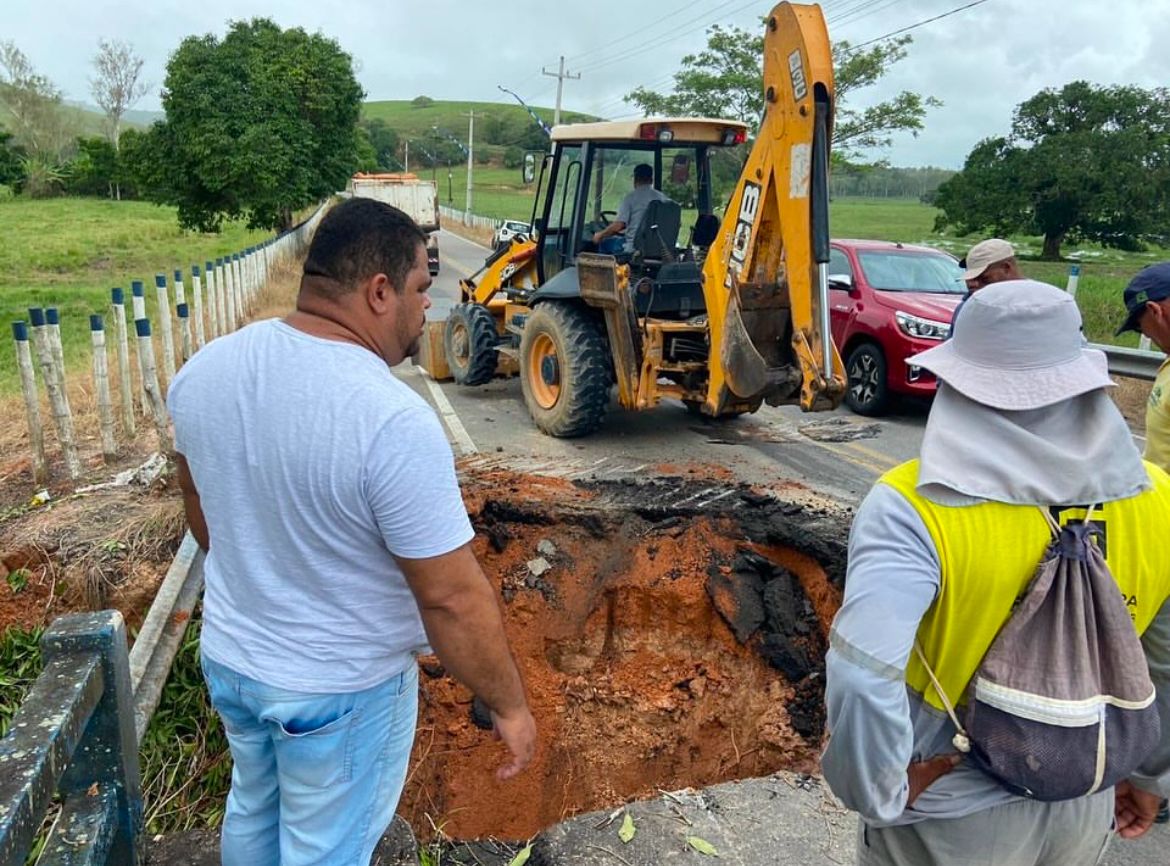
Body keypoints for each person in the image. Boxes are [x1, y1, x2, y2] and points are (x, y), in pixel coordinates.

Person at [167, 198, 537, 866]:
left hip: (234, 662)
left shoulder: (203, 373)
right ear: (378, 291)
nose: (429, 307)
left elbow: (201, 506)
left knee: (254, 808)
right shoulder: (389, 420)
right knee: (325, 850)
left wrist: (270, 572)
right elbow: (451, 598)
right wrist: (507, 704)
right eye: (423, 289)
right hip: (336, 691)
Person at [823, 279, 1170, 864]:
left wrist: (877, 794)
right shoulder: (1158, 498)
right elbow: (1161, 662)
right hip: (1083, 803)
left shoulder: (914, 505)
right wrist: (1149, 774)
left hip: (950, 814)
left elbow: (862, 674)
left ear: (959, 380)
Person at [1117, 260, 1170, 825]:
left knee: (1160, 666)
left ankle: (1154, 779)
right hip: (1159, 530)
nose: (1146, 335)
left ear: (1156, 310)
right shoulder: (1167, 364)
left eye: (1144, 323)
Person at [591, 162, 670, 254]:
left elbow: (619, 226)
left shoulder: (631, 198)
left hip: (633, 248)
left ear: (635, 179)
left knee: (604, 244)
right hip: (660, 250)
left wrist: (600, 235)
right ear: (651, 180)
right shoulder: (664, 199)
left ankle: (603, 268)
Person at [950, 238, 1022, 335]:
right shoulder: (965, 308)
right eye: (969, 277)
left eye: (983, 278)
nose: (972, 284)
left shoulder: (1035, 306)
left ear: (1006, 268)